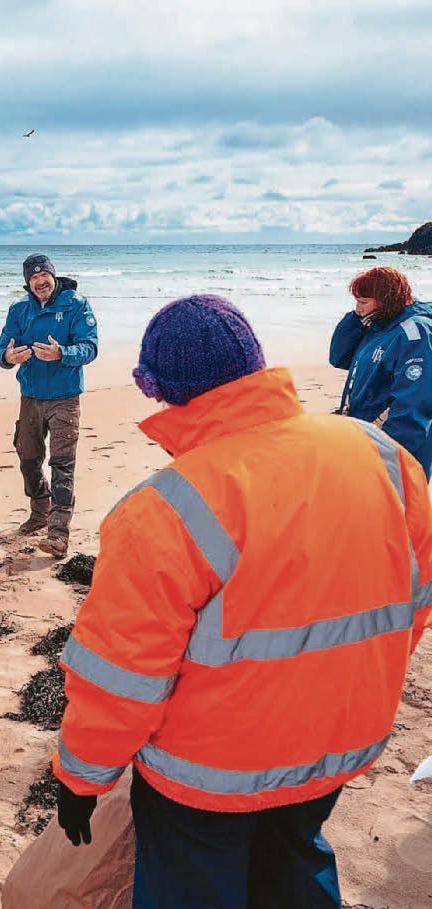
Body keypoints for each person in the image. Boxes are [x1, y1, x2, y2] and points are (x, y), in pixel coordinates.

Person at [51, 294, 432, 909]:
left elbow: (122, 674)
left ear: (160, 392)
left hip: (206, 777)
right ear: (256, 364)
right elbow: (414, 600)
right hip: (337, 744)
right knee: (294, 863)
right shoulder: (380, 453)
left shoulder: (164, 508)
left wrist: (81, 776)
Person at [0, 253, 98, 558]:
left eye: (45, 276)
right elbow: (2, 350)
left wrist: (62, 353)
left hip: (65, 397)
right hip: (31, 396)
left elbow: (90, 347)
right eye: (34, 277)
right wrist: (7, 357)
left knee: (62, 465)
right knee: (28, 458)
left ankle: (58, 535)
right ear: (28, 282)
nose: (41, 282)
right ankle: (40, 510)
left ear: (53, 277)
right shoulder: (19, 310)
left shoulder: (76, 305)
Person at [330, 265, 432, 477]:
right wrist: (355, 320)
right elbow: (339, 357)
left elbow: (414, 403)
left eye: (363, 302)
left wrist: (386, 454)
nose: (358, 308)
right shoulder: (377, 326)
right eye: (356, 301)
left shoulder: (414, 334)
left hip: (392, 452)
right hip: (366, 440)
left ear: (386, 300)